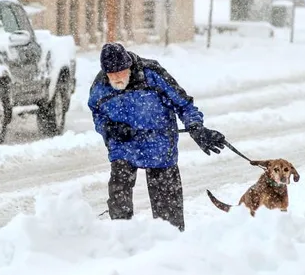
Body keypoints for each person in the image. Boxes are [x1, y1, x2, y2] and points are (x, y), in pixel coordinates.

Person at [88, 43, 226, 232]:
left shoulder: (152, 74)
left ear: (129, 66)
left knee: (167, 212)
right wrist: (109, 128)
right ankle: (121, 235)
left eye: (121, 72)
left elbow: (183, 104)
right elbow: (97, 113)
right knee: (119, 194)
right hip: (124, 146)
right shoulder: (100, 87)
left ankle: (170, 241)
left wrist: (196, 128)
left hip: (159, 146)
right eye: (113, 74)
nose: (118, 78)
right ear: (105, 73)